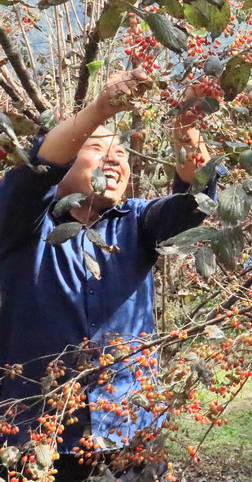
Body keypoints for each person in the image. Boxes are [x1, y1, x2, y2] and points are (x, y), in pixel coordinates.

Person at [0, 69, 219, 481]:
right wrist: (101, 109)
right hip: (42, 438)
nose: (116, 159)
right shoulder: (21, 222)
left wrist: (188, 128)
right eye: (98, 148)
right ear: (68, 155)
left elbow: (195, 207)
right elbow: (36, 171)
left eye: (121, 153)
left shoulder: (137, 223)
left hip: (131, 428)